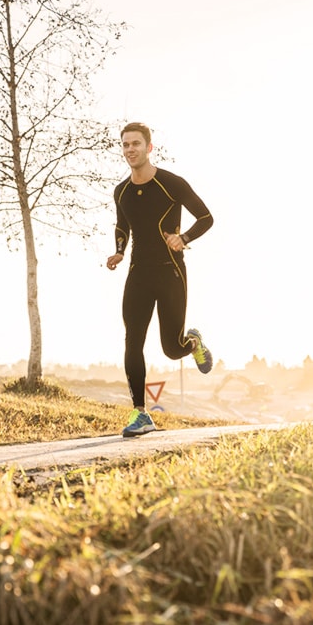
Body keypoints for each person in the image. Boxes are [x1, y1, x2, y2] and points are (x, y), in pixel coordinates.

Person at [106, 122, 214, 437]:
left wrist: (184, 238)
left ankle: (193, 342)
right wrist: (119, 251)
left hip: (170, 272)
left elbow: (206, 217)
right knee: (132, 341)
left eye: (136, 144)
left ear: (149, 147)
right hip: (138, 272)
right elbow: (122, 224)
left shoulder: (171, 183)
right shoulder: (121, 191)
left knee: (172, 348)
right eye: (125, 144)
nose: (130, 150)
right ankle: (141, 414)